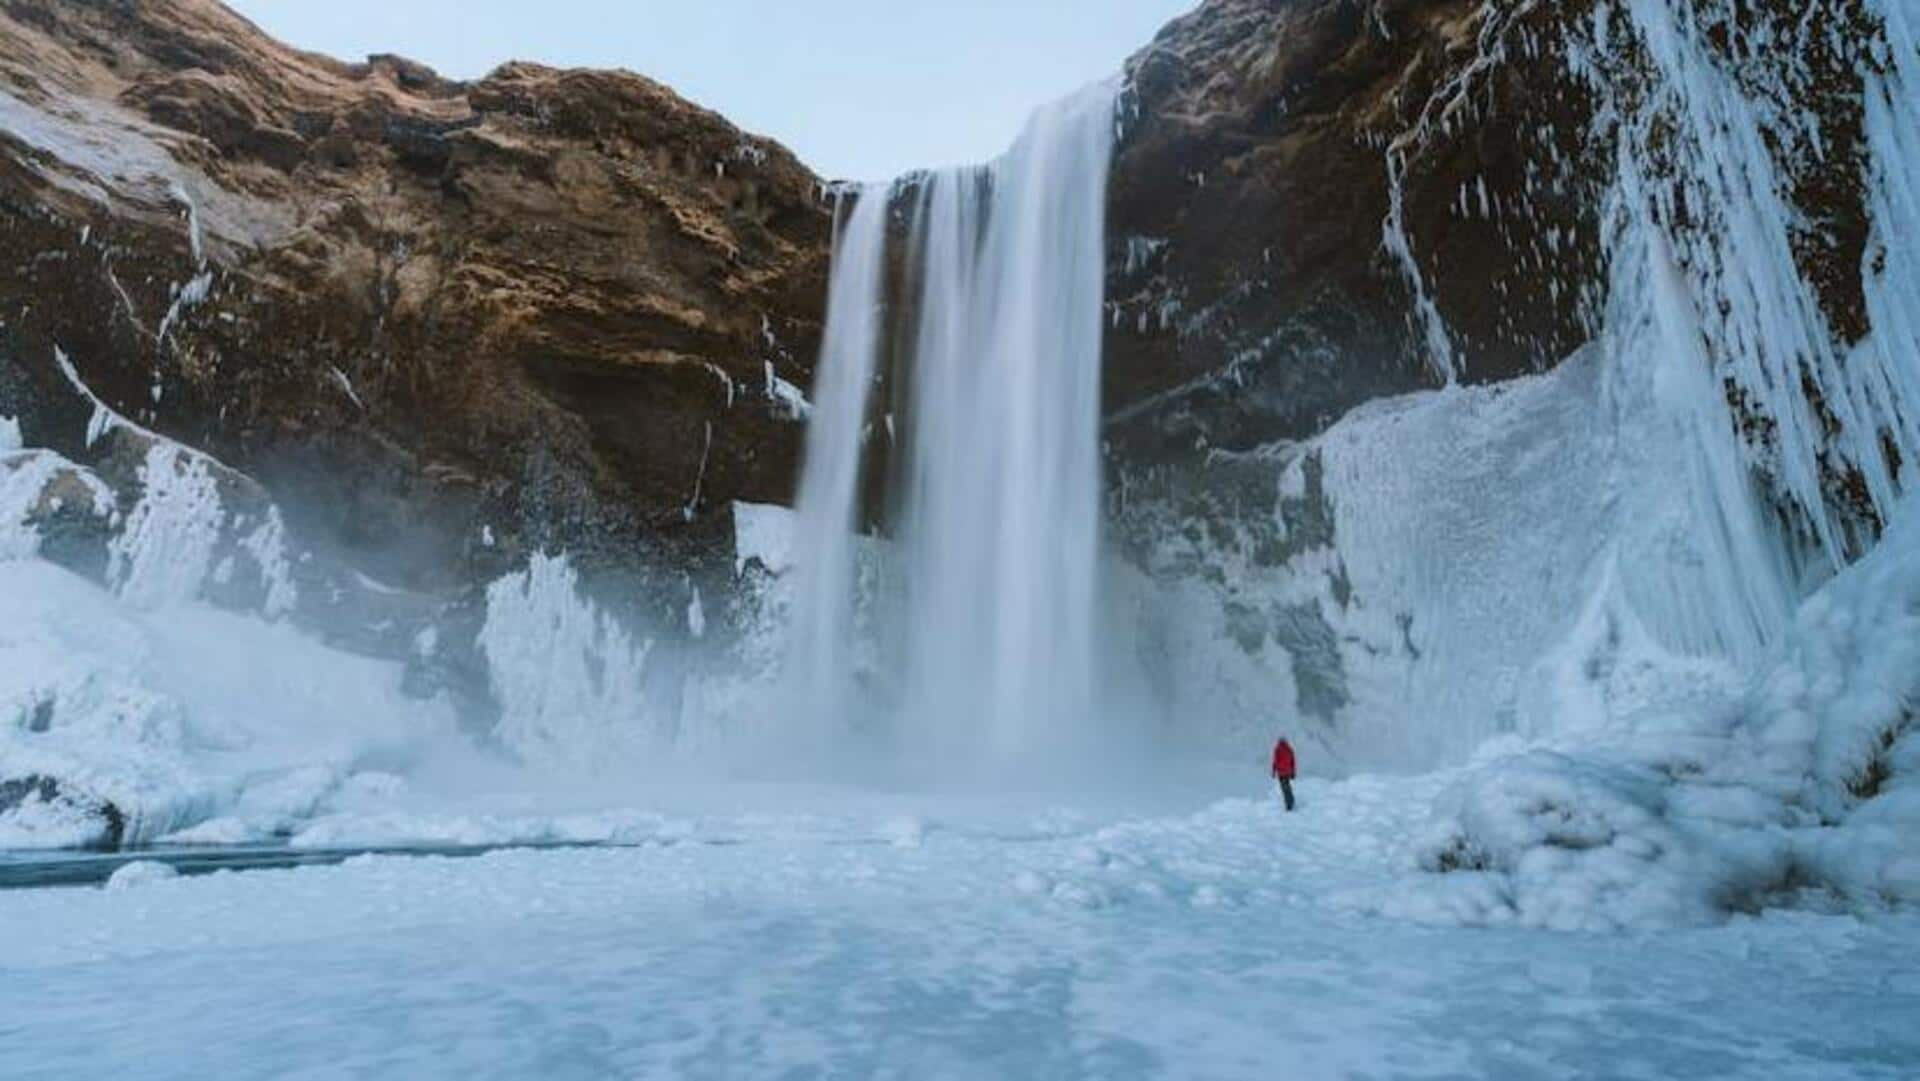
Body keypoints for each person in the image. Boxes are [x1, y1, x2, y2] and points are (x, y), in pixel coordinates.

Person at [1270, 734, 1297, 812]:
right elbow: (1293, 762)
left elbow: (1275, 761)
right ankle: (1291, 800)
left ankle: (1289, 805)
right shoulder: (1289, 749)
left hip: (1281, 772)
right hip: (1288, 771)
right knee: (1287, 786)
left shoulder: (1277, 749)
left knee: (1284, 788)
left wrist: (1273, 771)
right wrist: (1293, 772)